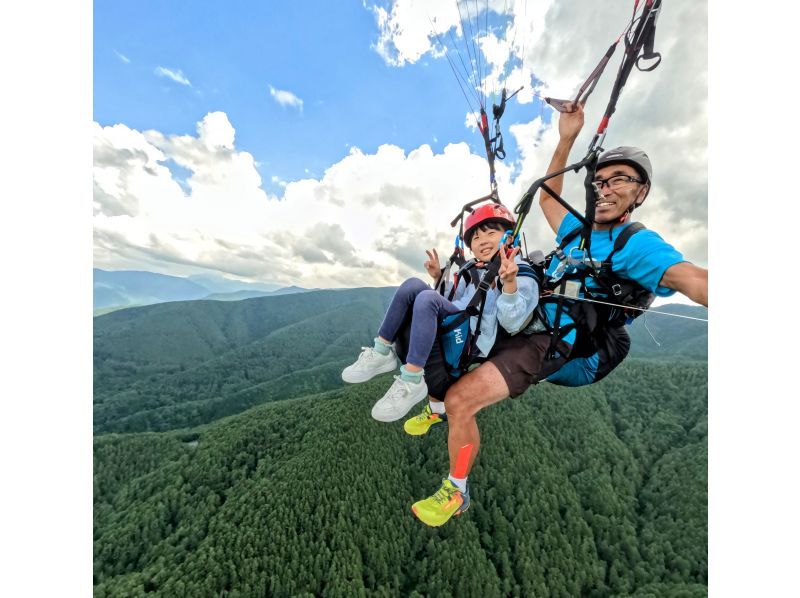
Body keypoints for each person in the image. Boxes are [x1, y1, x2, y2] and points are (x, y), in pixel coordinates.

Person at [409, 104, 709, 527]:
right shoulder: (577, 230)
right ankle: (435, 405)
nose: (605, 188)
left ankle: (456, 491)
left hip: (568, 349)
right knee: (453, 339)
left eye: (620, 180)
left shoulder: (637, 247)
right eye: (600, 180)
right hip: (535, 324)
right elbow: (549, 194)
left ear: (640, 193)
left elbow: (693, 280)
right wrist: (567, 136)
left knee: (461, 399)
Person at [341, 203, 539, 424]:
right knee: (412, 285)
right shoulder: (472, 269)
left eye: (491, 233)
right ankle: (381, 351)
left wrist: (509, 284)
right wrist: (437, 278)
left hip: (476, 336)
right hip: (459, 318)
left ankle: (412, 380)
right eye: (475, 238)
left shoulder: (519, 270)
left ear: (509, 238)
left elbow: (513, 323)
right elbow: (452, 301)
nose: (482, 240)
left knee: (426, 298)